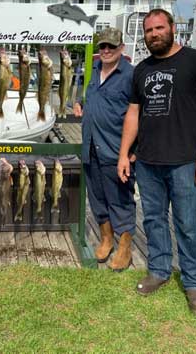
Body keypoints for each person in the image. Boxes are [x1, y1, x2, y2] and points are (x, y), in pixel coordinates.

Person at [118, 9, 196, 314]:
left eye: (159, 28)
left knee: (188, 224)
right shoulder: (141, 69)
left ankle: (194, 284)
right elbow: (134, 113)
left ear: (173, 28)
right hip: (149, 162)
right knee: (153, 220)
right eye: (149, 30)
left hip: (186, 161)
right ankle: (160, 271)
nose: (154, 34)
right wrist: (125, 153)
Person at [73, 27, 136, 271]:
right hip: (91, 148)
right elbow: (95, 101)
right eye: (103, 47)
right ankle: (106, 238)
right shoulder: (95, 70)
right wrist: (81, 105)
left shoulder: (130, 75)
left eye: (111, 46)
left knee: (120, 199)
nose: (106, 50)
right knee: (98, 198)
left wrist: (133, 152)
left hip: (116, 150)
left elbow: (140, 114)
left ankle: (125, 247)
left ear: (121, 48)